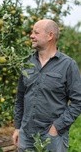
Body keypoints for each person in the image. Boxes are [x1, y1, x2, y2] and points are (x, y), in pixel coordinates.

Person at [12, 19, 81, 152]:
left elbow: (78, 101)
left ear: (50, 36)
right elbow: (20, 98)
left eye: (36, 32)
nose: (31, 36)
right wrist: (17, 127)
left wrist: (57, 127)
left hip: (52, 137)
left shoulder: (68, 65)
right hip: (26, 135)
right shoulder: (27, 63)